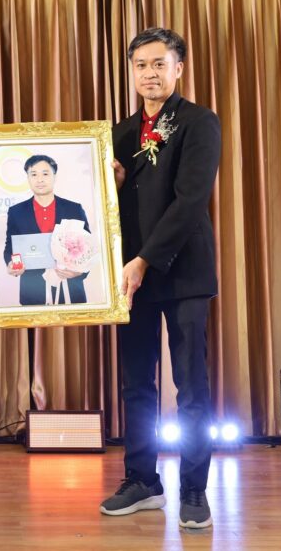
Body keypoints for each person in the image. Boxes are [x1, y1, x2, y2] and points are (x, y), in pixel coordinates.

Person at [101, 28, 221, 529]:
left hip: (182, 270)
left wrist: (146, 259)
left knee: (191, 385)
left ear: (179, 68)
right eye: (140, 65)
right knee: (136, 383)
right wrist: (112, 185)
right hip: (133, 276)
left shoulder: (199, 122)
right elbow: (108, 206)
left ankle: (194, 488)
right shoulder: (119, 132)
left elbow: (190, 201)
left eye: (158, 64)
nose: (149, 74)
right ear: (131, 72)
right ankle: (142, 480)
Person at [3, 154, 90, 305]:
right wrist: (12, 264)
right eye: (34, 174)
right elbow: (10, 247)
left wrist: (79, 271)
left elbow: (88, 248)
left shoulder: (74, 209)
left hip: (69, 290)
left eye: (45, 174)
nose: (40, 179)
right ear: (28, 178)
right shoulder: (16, 212)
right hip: (32, 292)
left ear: (54, 176)